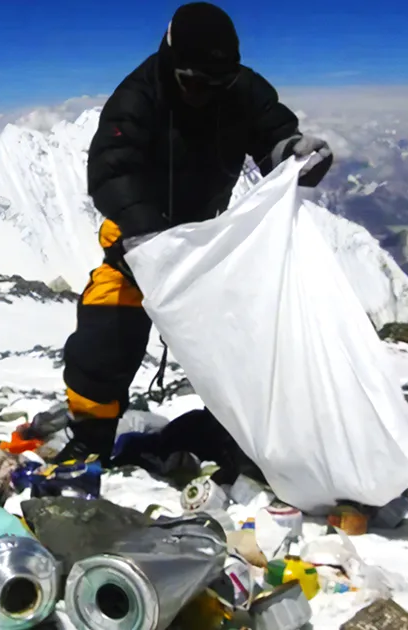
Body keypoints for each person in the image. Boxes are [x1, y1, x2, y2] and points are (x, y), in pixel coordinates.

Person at [55, 2, 334, 465]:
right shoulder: (138, 98)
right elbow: (111, 171)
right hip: (136, 244)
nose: (205, 93)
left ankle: (237, 433)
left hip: (207, 243)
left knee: (244, 336)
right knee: (107, 333)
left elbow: (272, 135)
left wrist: (293, 153)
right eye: (194, 82)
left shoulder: (241, 90)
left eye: (217, 83)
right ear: (170, 62)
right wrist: (146, 236)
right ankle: (91, 437)